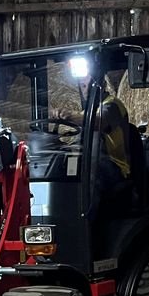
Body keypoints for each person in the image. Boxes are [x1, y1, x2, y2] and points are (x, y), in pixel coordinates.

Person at [55, 72, 131, 214]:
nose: (86, 89)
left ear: (102, 85)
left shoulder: (112, 105)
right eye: (83, 86)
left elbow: (99, 122)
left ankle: (87, 218)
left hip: (115, 167)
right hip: (90, 163)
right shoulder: (86, 112)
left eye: (90, 85)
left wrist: (70, 116)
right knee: (62, 168)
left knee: (90, 171)